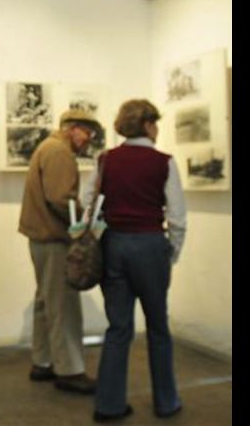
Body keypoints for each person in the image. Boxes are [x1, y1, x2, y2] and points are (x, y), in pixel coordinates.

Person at [90, 99, 186, 422]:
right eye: (155, 123)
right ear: (147, 124)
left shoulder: (105, 160)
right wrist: (170, 252)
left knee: (118, 328)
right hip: (149, 246)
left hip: (114, 245)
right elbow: (177, 217)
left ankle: (109, 405)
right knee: (158, 327)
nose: (157, 129)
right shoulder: (164, 162)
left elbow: (87, 201)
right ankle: (166, 401)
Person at [18, 108, 101, 394]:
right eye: (87, 134)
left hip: (40, 237)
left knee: (45, 302)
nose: (88, 141)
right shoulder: (59, 152)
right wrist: (86, 222)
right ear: (73, 128)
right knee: (63, 306)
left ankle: (42, 362)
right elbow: (60, 199)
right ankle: (70, 370)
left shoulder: (48, 147)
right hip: (53, 240)